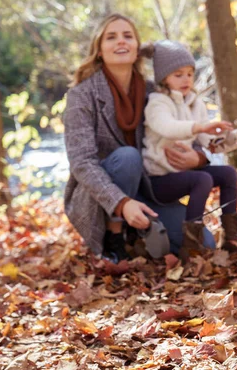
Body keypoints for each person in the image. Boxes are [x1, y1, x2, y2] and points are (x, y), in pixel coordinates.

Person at [63, 14, 216, 263]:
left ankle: (139, 232)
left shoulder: (154, 91)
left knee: (205, 245)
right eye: (111, 37)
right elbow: (81, 162)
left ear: (137, 48)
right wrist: (121, 203)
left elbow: (188, 129)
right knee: (127, 157)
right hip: (103, 197)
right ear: (99, 50)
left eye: (128, 36)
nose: (120, 41)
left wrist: (197, 158)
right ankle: (116, 235)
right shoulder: (81, 96)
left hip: (149, 187)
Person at [140, 40, 237, 257]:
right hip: (158, 180)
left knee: (227, 173)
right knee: (202, 179)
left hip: (183, 174)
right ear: (163, 78)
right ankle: (192, 245)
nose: (186, 79)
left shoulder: (194, 103)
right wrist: (199, 127)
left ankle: (231, 237)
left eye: (189, 73)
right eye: (178, 75)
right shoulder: (157, 102)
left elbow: (210, 142)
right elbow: (167, 127)